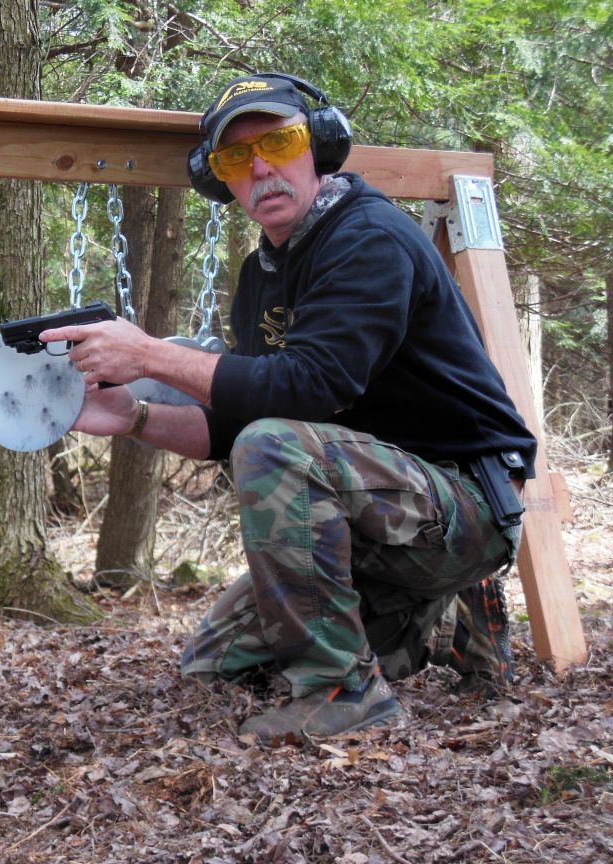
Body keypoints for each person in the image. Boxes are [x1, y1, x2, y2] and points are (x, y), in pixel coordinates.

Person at [39, 72, 535, 744]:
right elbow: (237, 421)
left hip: (464, 502)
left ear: (320, 145)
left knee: (275, 446)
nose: (263, 168)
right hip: (379, 518)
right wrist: (134, 418)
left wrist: (150, 355)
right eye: (237, 158)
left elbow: (302, 393)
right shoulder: (261, 276)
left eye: (281, 141)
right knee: (214, 666)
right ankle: (415, 613)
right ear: (221, 180)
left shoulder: (370, 239)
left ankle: (344, 693)